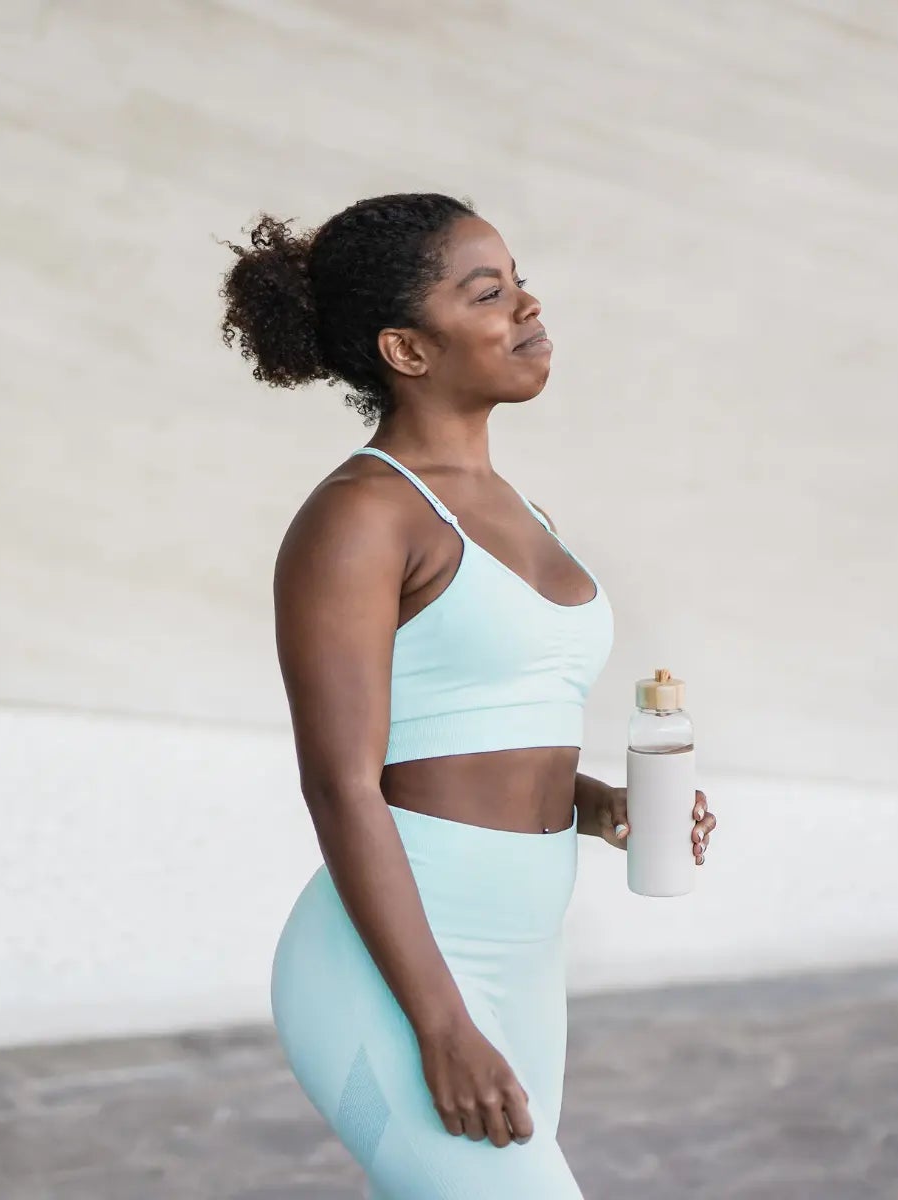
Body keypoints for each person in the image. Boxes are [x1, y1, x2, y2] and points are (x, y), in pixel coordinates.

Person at [219, 192, 718, 1197]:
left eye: (522, 283)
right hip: (397, 969)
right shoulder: (360, 516)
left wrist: (600, 805)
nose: (529, 309)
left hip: (524, 951)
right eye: (489, 294)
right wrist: (440, 1025)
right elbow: (344, 786)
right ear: (407, 349)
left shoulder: (520, 509)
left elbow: (483, 735)